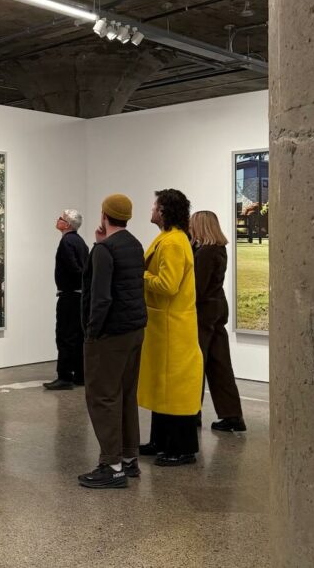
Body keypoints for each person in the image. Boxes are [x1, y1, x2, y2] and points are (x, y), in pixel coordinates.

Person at [77, 194, 147, 489]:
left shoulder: (105, 250)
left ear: (104, 215)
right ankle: (129, 459)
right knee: (126, 393)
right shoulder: (134, 244)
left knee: (103, 396)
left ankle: (111, 465)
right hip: (134, 329)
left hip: (109, 334)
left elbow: (101, 297)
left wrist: (92, 331)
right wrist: (97, 243)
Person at [138, 189, 204, 466]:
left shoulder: (174, 243)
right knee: (162, 386)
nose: (151, 209)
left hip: (172, 326)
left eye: (155, 205)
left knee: (175, 388)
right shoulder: (168, 238)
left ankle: (181, 448)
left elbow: (167, 284)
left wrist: (138, 275)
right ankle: (162, 440)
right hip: (164, 325)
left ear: (164, 210)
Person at [189, 211, 246, 432]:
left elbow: (198, 288)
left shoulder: (205, 253)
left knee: (196, 363)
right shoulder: (218, 249)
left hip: (203, 312)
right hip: (218, 308)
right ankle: (232, 415)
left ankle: (192, 412)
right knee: (220, 363)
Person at [44, 209, 89, 390]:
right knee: (78, 336)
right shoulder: (80, 242)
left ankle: (64, 377)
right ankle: (80, 375)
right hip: (79, 296)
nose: (58, 219)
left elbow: (74, 268)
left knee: (64, 335)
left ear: (67, 224)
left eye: (61, 218)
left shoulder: (66, 242)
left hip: (69, 296)